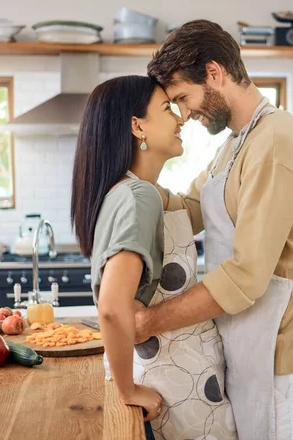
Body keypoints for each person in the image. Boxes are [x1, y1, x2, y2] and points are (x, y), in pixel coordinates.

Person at [134, 20, 293, 440]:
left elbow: (247, 276)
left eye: (183, 98)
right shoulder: (236, 143)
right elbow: (189, 207)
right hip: (247, 342)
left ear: (215, 73)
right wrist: (132, 186)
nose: (184, 114)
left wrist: (150, 321)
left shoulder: (274, 144)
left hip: (280, 349)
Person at [70, 75, 237, 440]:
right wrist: (129, 391)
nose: (179, 118)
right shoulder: (139, 198)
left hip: (171, 377)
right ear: (137, 125)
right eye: (166, 108)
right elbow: (113, 307)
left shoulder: (134, 192)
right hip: (173, 389)